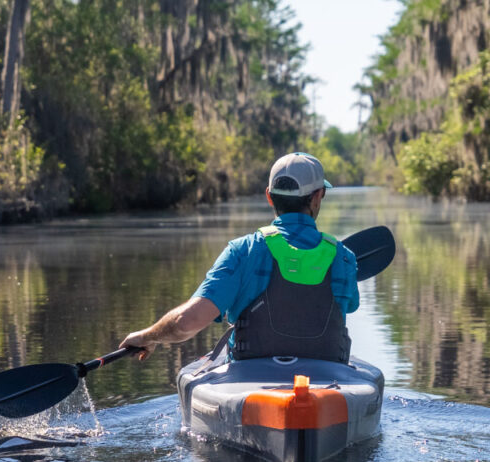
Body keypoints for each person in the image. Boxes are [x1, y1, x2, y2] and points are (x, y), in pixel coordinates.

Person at [119, 152, 359, 363]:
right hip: (326, 385)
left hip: (249, 384)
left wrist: (148, 336)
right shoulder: (344, 259)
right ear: (318, 196)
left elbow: (185, 323)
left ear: (269, 196)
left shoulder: (242, 251)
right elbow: (350, 305)